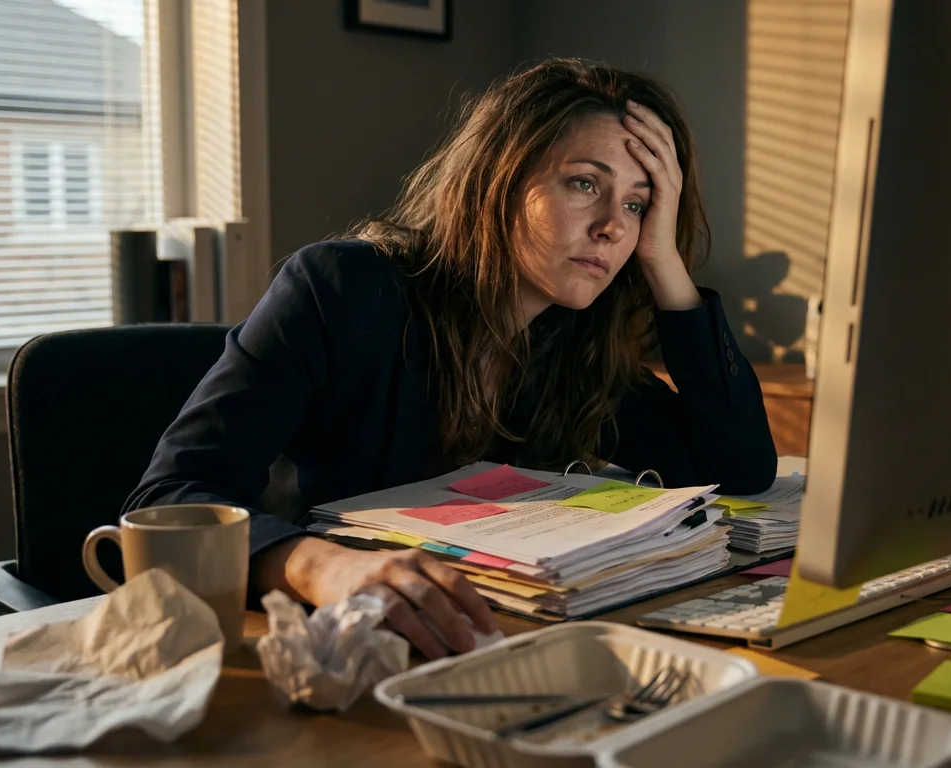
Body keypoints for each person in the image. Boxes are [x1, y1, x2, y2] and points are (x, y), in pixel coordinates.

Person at [125, 58, 778, 660]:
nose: (613, 226)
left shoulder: (572, 341)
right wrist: (319, 565)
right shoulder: (341, 290)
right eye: (585, 183)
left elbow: (737, 465)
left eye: (637, 204)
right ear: (500, 180)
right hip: (338, 641)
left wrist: (663, 260)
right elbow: (172, 495)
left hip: (492, 645)